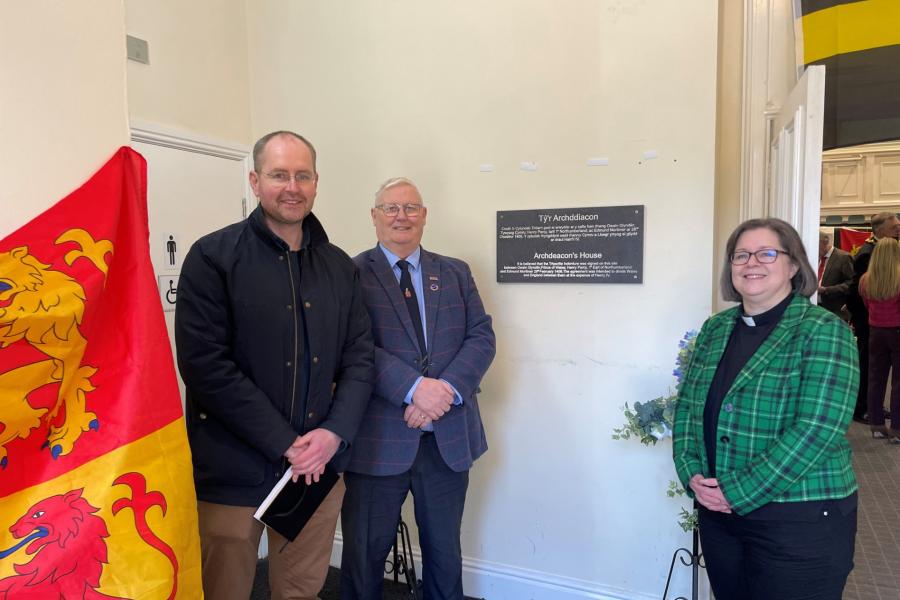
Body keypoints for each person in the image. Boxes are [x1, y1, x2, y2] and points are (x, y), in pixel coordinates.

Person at [175, 131, 374, 600]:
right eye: (279, 174)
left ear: (316, 182)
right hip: (232, 469)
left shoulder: (340, 266)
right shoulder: (212, 257)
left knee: (301, 590)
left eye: (302, 175)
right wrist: (286, 443)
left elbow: (359, 358)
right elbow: (205, 365)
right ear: (255, 180)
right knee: (223, 590)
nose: (292, 186)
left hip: (316, 469)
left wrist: (331, 435)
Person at [672, 218, 859, 600]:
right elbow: (688, 409)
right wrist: (691, 473)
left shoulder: (823, 329)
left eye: (767, 252)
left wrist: (734, 492)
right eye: (741, 255)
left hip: (800, 517)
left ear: (794, 266)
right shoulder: (716, 328)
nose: (751, 262)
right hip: (721, 517)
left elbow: (817, 429)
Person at [340, 177, 496, 600]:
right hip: (376, 440)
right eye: (390, 208)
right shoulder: (349, 274)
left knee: (444, 553)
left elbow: (481, 337)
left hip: (447, 439)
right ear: (374, 217)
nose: (401, 216)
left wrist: (441, 391)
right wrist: (412, 389)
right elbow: (352, 348)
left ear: (425, 215)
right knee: (364, 554)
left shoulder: (456, 272)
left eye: (410, 207)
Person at [846, 211, 900, 422]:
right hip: (887, 327)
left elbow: (864, 297)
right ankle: (890, 421)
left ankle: (875, 416)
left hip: (875, 326)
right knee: (890, 377)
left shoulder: (868, 274)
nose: (898, 230)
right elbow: (857, 298)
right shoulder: (868, 254)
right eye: (894, 227)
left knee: (876, 375)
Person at [859, 238, 900, 441]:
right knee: (899, 382)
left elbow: (867, 304)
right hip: (897, 331)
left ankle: (876, 424)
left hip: (875, 331)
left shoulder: (866, 279)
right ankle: (897, 429)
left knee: (875, 378)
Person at [816, 229, 853, 320]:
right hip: (816, 307)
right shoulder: (815, 256)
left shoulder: (844, 257)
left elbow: (851, 283)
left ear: (823, 243)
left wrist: (826, 290)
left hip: (835, 310)